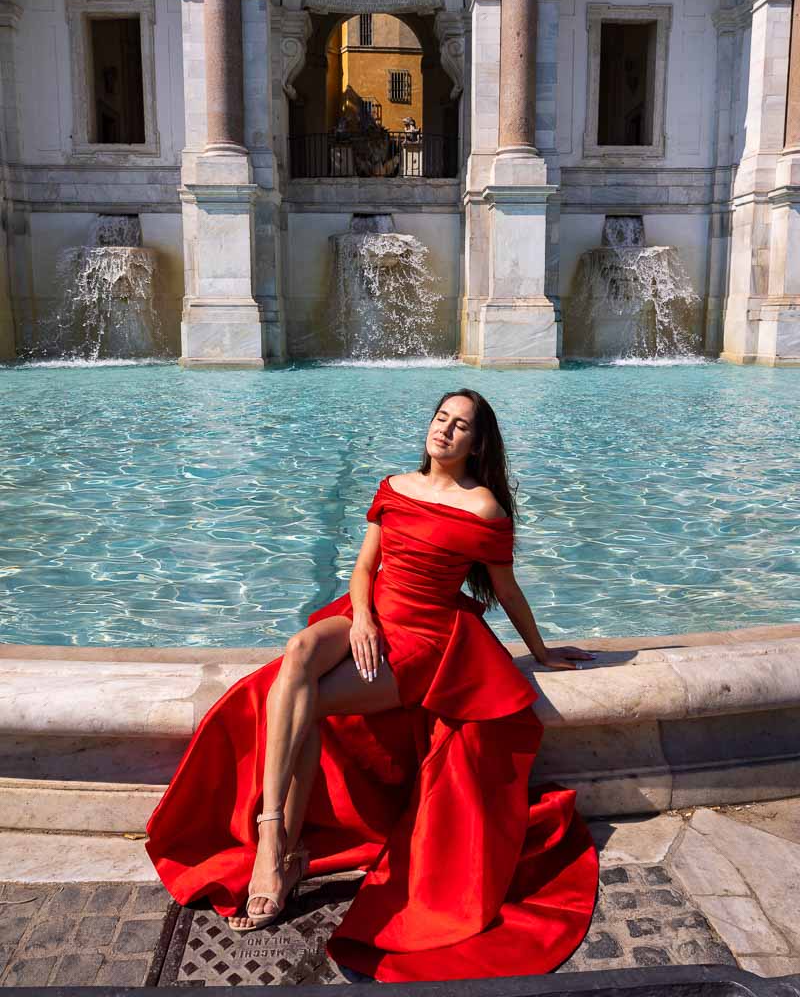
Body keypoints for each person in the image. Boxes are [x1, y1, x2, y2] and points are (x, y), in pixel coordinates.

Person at [145, 388, 600, 981]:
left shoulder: (485, 508)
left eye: (460, 426)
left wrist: (540, 652)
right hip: (369, 614)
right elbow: (363, 569)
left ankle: (274, 857)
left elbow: (506, 591)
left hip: (422, 642)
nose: (445, 431)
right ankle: (274, 837)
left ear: (477, 442)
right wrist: (361, 619)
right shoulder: (393, 486)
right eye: (441, 419)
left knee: (302, 699)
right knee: (299, 652)